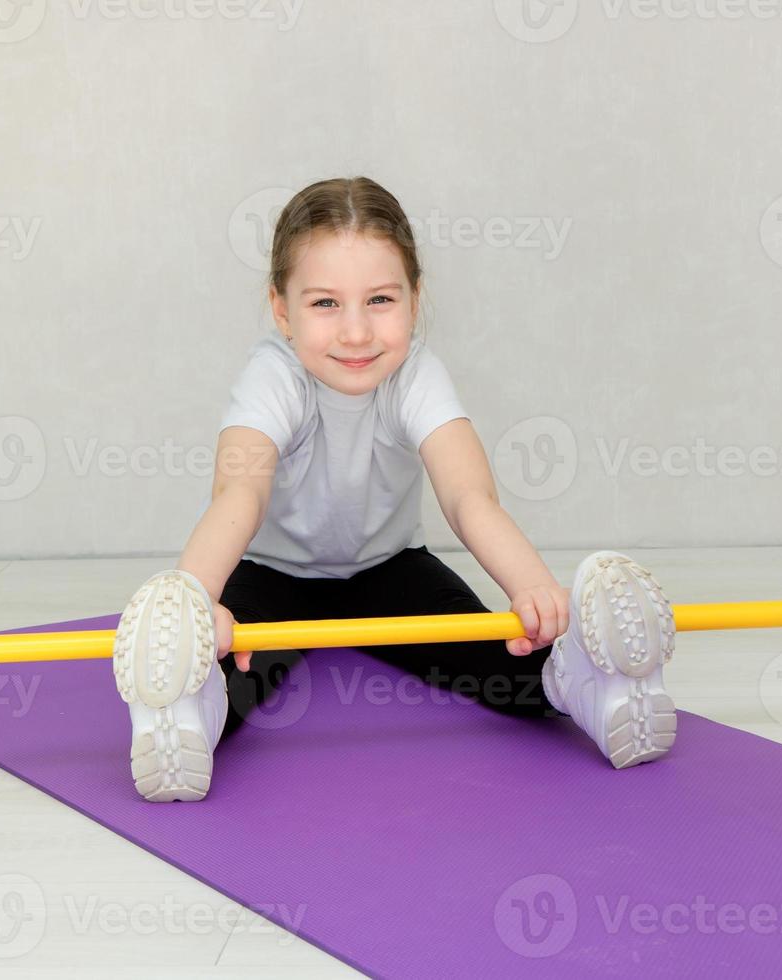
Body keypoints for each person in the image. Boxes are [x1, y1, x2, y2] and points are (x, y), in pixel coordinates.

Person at [113, 177, 675, 803]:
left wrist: (533, 588)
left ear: (414, 297)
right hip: (274, 575)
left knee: (489, 658)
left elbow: (469, 498)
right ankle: (191, 710)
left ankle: (578, 680)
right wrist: (196, 601)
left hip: (391, 572)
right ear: (282, 309)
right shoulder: (272, 376)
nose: (356, 333)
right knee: (235, 667)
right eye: (325, 304)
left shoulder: (416, 375)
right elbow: (238, 494)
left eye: (380, 299)